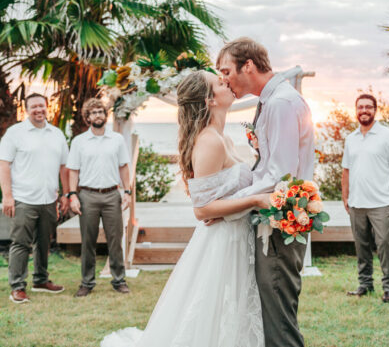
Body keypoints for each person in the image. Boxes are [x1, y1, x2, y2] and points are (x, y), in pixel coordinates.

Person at [101, 71, 271, 347]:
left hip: (235, 237)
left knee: (231, 309)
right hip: (221, 241)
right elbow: (202, 209)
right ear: (209, 100)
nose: (226, 82)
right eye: (219, 82)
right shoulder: (209, 141)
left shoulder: (222, 137)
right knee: (212, 310)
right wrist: (256, 201)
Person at [216, 37, 315, 347]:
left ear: (248, 65)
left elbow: (280, 177)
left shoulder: (282, 103)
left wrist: (228, 204)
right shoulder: (270, 100)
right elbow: (268, 167)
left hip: (279, 222)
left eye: (226, 71)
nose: (224, 80)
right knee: (272, 312)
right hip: (273, 217)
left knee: (278, 319)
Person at [0, 93, 69, 304]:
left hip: (49, 199)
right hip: (23, 199)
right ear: (26, 109)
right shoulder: (15, 133)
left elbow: (63, 167)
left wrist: (65, 194)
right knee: (21, 243)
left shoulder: (56, 134)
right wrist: (8, 196)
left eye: (42, 106)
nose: (38, 110)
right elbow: (4, 166)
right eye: (34, 107)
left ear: (47, 107)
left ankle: (41, 280)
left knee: (44, 242)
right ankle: (18, 286)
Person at [342, 94, 389, 303]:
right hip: (357, 203)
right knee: (362, 247)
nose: (364, 111)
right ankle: (365, 285)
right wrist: (345, 197)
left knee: (385, 246)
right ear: (356, 110)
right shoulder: (351, 139)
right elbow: (346, 171)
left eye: (368, 107)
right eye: (360, 107)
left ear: (375, 110)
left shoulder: (388, 136)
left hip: (382, 204)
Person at [66, 98, 131, 297]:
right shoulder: (79, 142)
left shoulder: (117, 139)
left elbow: (123, 167)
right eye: (93, 113)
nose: (97, 115)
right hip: (87, 196)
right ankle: (87, 282)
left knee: (115, 239)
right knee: (88, 241)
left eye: (100, 112)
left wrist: (127, 192)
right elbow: (73, 171)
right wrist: (73, 195)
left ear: (105, 115)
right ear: (87, 118)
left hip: (112, 195)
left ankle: (119, 280)